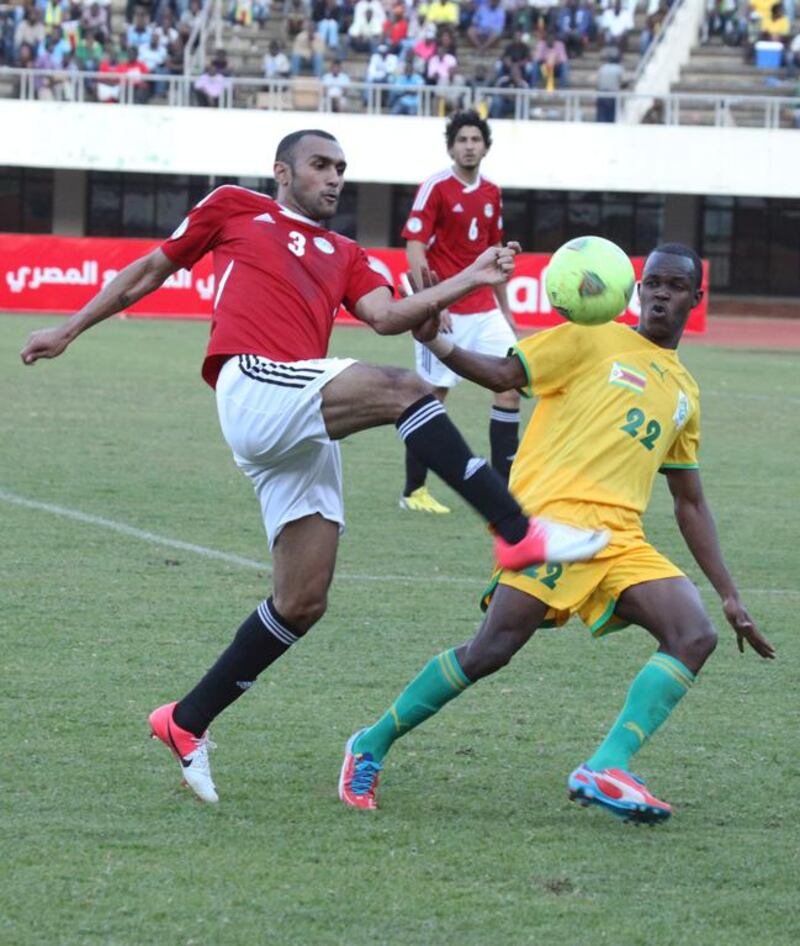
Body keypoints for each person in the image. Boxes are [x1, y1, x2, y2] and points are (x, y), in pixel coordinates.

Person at [21, 129, 607, 804]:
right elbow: (152, 267)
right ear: (282, 172)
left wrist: (466, 281)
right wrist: (69, 327)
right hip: (253, 383)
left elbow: (388, 316)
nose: (334, 178)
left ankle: (185, 722)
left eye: (341, 169)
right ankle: (518, 533)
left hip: (297, 412)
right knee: (404, 390)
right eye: (321, 166)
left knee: (302, 601)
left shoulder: (348, 252)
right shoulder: (236, 207)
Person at [339, 243, 776, 820]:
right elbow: (501, 373)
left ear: (697, 299)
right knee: (491, 649)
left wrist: (729, 593)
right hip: (551, 523)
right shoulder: (592, 334)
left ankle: (605, 766)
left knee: (693, 633)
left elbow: (689, 501)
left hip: (620, 538)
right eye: (652, 283)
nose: (661, 294)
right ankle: (369, 743)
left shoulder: (684, 393)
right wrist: (437, 341)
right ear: (636, 289)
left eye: (675, 286)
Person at [400, 113, 521, 512]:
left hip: (484, 309)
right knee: (432, 396)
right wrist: (433, 300)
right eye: (462, 139)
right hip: (446, 308)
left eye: (475, 139)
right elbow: (415, 245)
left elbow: (495, 254)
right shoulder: (435, 187)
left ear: (485, 146)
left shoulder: (492, 193)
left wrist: (506, 310)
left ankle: (503, 492)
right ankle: (413, 491)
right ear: (451, 146)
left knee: (509, 385)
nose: (469, 145)